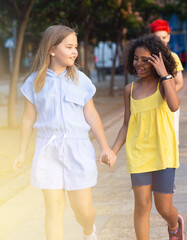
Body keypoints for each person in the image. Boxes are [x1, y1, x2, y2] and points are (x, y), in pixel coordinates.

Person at [13, 25, 116, 240]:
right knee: (53, 209)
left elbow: (92, 115)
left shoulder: (81, 81)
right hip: (47, 150)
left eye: (75, 47)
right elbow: (27, 119)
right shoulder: (33, 83)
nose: (74, 52)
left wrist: (105, 147)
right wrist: (22, 152)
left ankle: (89, 230)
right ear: (52, 50)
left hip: (77, 150)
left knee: (83, 210)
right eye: (69, 47)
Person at [110, 35, 184, 240]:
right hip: (139, 153)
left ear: (156, 60)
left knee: (163, 208)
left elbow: (174, 105)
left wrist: (164, 73)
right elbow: (126, 124)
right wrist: (113, 151)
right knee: (142, 205)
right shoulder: (130, 90)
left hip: (163, 154)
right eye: (136, 59)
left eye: (145, 59)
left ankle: (174, 223)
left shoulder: (163, 85)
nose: (139, 64)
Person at [150, 19, 184, 144]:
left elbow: (179, 83)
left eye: (164, 37)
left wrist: (167, 96)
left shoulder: (173, 57)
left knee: (170, 140)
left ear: (168, 37)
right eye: (157, 37)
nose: (161, 41)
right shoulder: (146, 57)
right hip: (150, 105)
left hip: (169, 105)